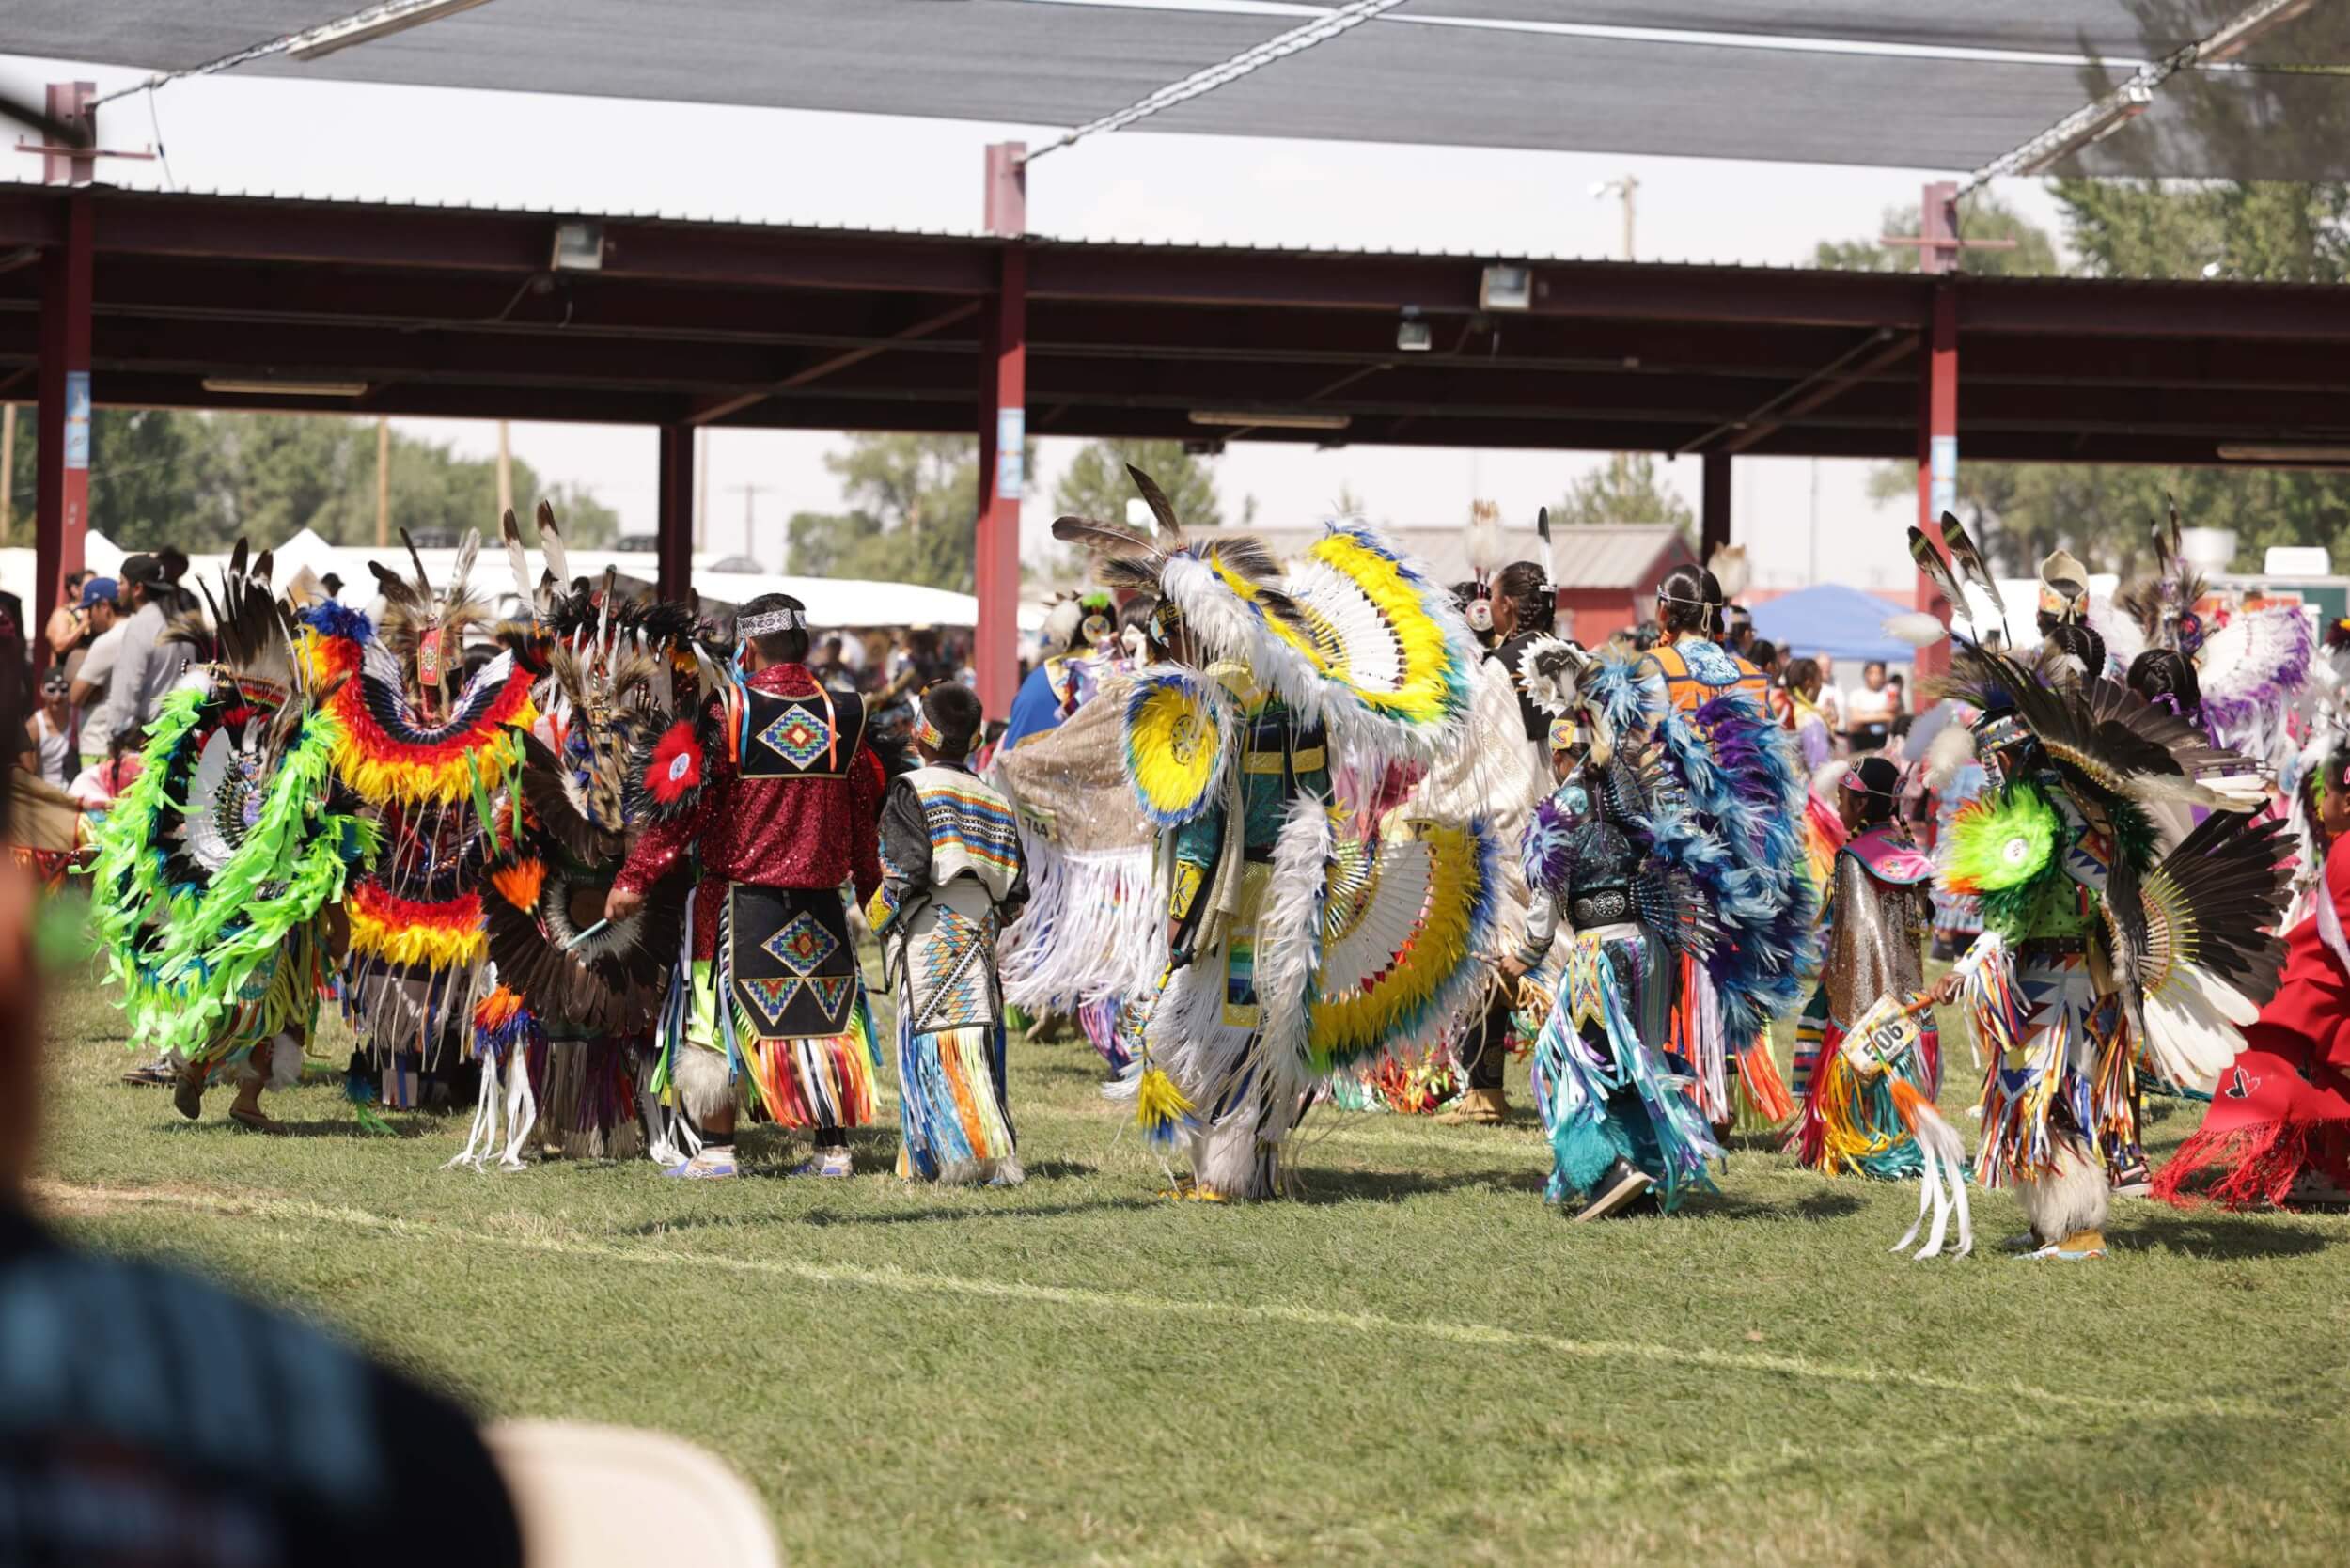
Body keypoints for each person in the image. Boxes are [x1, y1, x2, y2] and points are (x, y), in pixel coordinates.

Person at [610, 592, 888, 1180]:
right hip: (820, 906)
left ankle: (717, 1152)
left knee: (716, 1020)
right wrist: (872, 891)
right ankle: (831, 1150)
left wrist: (636, 877)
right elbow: (864, 815)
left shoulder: (731, 713)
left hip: (738, 903)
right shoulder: (845, 714)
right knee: (820, 1021)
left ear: (750, 645)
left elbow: (688, 812)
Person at [1514, 697, 1721, 1218]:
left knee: (1568, 1065)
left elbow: (1545, 894)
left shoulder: (1558, 810)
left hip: (1596, 957)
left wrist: (1526, 954)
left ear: (1561, 757)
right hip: (1649, 948)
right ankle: (1647, 1178)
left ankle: (1606, 1172)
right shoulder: (1633, 796)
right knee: (1640, 1063)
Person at [1636, 563, 1810, 1135]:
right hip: (1742, 843)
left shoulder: (1656, 667)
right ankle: (1721, 1091)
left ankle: (1692, 1093)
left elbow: (1643, 754)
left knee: (1673, 961)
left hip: (1676, 836)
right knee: (1723, 960)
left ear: (1667, 612)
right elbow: (1771, 770)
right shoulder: (1751, 674)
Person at [2156, 743, 2350, 1209]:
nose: (2318, 806)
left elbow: (2339, 934)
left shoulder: (2345, 850)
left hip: (2316, 992)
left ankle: (2315, 1168)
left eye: (2323, 794)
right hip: (2318, 989)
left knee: (2273, 1048)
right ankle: (2323, 1170)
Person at [870, 682, 1030, 1184]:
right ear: (977, 738)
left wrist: (875, 916)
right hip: (979, 934)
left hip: (930, 927)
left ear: (921, 735)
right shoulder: (993, 798)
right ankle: (980, 1151)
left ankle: (937, 1154)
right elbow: (1017, 893)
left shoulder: (912, 790)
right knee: (975, 1037)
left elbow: (905, 872)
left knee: (934, 1038)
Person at [1435, 558, 1557, 1124]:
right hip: (1571, 826)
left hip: (1509, 825)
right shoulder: (1576, 661)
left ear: (1504, 606)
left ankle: (1486, 1091)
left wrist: (1427, 804)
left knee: (1491, 951)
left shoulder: (1497, 669)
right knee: (1565, 951)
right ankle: (1584, 1074)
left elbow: (1470, 759)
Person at [1790, 756, 1938, 1178]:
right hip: (1907, 991)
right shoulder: (1907, 851)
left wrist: (1851, 1004)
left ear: (1858, 804)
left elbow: (1858, 933)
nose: (1837, 809)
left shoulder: (1854, 857)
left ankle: (1863, 1134)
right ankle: (1898, 1132)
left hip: (1866, 993)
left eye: (1841, 799)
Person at [84, 554, 192, 771]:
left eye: (122, 582)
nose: (118, 589)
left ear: (138, 588)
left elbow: (127, 689)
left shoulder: (140, 625)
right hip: (178, 741)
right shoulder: (181, 622)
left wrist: (116, 738)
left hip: (144, 746)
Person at [68, 575, 121, 767]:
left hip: (98, 747)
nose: (88, 619)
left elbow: (75, 696)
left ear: (104, 605)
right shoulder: (139, 630)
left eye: (89, 610)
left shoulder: (107, 641)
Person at [1781, 657, 1836, 772]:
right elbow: (1820, 766)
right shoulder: (1810, 719)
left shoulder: (1786, 708)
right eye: (1819, 680)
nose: (1821, 686)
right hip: (1808, 786)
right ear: (1809, 682)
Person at [26, 669, 70, 787]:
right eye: (51, 690)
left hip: (74, 789)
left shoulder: (75, 719)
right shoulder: (34, 725)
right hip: (47, 792)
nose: (58, 696)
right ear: (42, 690)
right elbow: (31, 772)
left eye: (63, 690)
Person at [1843, 660, 1895, 752]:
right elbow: (1856, 718)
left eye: (1879, 673)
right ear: (1866, 674)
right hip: (1860, 742)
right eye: (1872, 673)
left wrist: (1865, 715)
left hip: (1882, 740)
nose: (1876, 677)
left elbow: (1891, 717)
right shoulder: (1856, 695)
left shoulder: (1889, 693)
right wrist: (1881, 713)